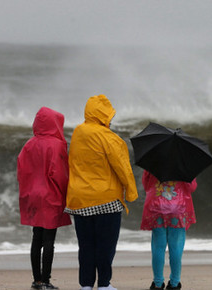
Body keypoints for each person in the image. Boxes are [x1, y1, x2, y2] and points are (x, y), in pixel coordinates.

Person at [65, 95, 138, 290]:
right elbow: (123, 167)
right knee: (105, 246)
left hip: (79, 199)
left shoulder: (78, 132)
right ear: (104, 115)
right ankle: (104, 284)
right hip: (106, 199)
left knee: (86, 245)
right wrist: (131, 193)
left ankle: (86, 285)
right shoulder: (109, 138)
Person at [17, 107, 72, 290]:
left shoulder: (29, 144)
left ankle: (37, 280)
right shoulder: (56, 145)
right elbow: (60, 175)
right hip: (50, 196)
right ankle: (46, 281)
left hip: (32, 196)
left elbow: (21, 171)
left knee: (36, 238)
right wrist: (67, 194)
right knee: (49, 240)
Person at [140, 171, 198, 290]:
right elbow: (191, 187)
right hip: (178, 208)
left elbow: (146, 185)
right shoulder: (184, 164)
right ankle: (174, 283)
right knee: (176, 247)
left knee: (158, 247)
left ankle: (157, 283)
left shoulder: (152, 160)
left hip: (156, 206)